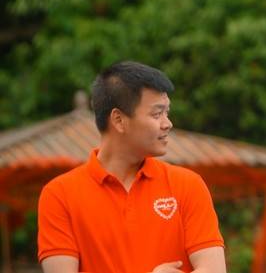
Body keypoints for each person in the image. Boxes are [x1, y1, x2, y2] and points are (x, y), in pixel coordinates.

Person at [38, 62, 227, 273]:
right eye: (157, 114)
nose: (168, 123)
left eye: (167, 113)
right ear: (119, 120)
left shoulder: (188, 185)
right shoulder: (59, 196)